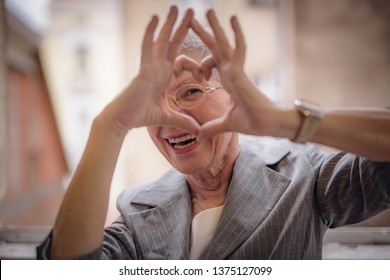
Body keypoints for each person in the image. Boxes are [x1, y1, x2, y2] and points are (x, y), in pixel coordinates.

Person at [37, 6, 390, 260]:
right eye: (153, 104)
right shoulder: (137, 208)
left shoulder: (303, 175)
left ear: (233, 95)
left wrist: (284, 120)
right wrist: (108, 126)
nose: (170, 118)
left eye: (190, 92)